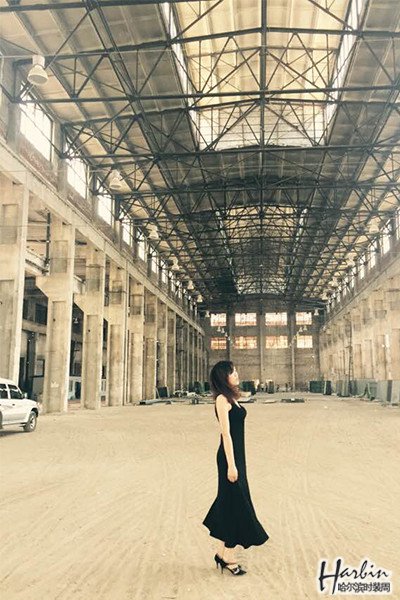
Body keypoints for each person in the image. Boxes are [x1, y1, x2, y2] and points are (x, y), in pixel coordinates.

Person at [202, 360, 269, 576]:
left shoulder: (231, 398)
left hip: (238, 457)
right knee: (237, 503)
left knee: (229, 502)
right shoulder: (222, 400)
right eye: (233, 372)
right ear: (224, 377)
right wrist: (231, 465)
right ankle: (229, 558)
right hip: (229, 458)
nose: (237, 374)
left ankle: (222, 554)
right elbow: (226, 434)